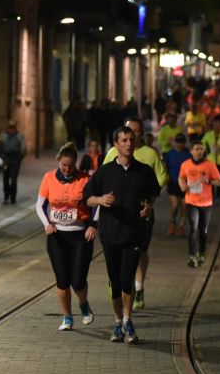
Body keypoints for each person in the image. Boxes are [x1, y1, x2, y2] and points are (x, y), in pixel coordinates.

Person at [84, 126, 160, 344]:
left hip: (133, 232)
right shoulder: (105, 171)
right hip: (109, 234)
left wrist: (149, 208)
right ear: (116, 144)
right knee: (115, 282)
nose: (128, 143)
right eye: (124, 140)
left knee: (127, 280)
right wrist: (100, 200)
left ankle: (128, 320)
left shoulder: (144, 171)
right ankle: (117, 322)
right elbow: (87, 197)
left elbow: (154, 193)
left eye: (131, 140)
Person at [102, 117, 167, 310]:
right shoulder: (112, 153)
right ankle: (120, 284)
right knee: (118, 253)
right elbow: (103, 175)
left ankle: (138, 285)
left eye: (137, 131)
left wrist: (150, 200)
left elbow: (161, 176)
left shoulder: (149, 154)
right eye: (129, 131)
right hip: (118, 214)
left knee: (140, 251)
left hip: (142, 212)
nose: (133, 136)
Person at [37, 143, 97, 331]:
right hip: (57, 236)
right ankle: (67, 317)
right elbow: (39, 206)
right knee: (62, 281)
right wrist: (47, 224)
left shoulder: (85, 180)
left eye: (71, 165)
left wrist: (93, 225)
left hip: (80, 235)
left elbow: (97, 205)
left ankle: (84, 305)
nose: (67, 169)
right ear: (59, 162)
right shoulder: (48, 178)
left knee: (78, 281)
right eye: (64, 165)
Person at [178, 139, 220, 267]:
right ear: (191, 151)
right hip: (191, 200)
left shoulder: (210, 165)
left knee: (203, 230)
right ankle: (192, 256)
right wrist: (183, 184)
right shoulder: (185, 164)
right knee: (193, 228)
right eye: (196, 149)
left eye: (201, 149)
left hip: (206, 202)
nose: (199, 151)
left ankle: (201, 253)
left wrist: (208, 181)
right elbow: (181, 177)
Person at [163, 134, 192, 237]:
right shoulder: (170, 154)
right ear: (175, 142)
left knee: (184, 206)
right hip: (173, 183)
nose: (180, 144)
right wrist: (165, 178)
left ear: (184, 143)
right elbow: (165, 167)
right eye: (178, 142)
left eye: (181, 142)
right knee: (175, 205)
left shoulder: (188, 154)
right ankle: (172, 224)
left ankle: (181, 226)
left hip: (185, 183)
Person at [0, 120, 26, 204]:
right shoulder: (4, 136)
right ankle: (7, 196)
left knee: (13, 179)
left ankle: (12, 197)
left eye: (12, 127)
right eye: (10, 127)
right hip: (6, 159)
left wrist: (19, 158)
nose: (11, 129)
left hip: (14, 159)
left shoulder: (19, 136)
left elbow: (23, 149)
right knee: (6, 178)